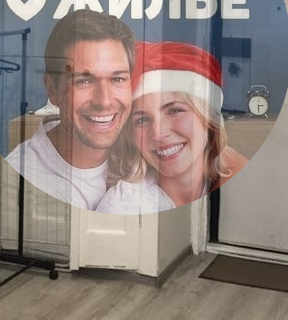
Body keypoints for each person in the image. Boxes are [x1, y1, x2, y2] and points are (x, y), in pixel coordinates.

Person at [96, 41, 247, 214]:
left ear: (207, 118)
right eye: (142, 120)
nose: (158, 134)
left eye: (174, 111)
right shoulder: (123, 205)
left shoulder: (239, 188)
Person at [6, 9, 135, 211]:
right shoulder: (19, 180)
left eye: (117, 79)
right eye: (84, 81)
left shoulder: (148, 154)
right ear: (52, 89)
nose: (104, 101)